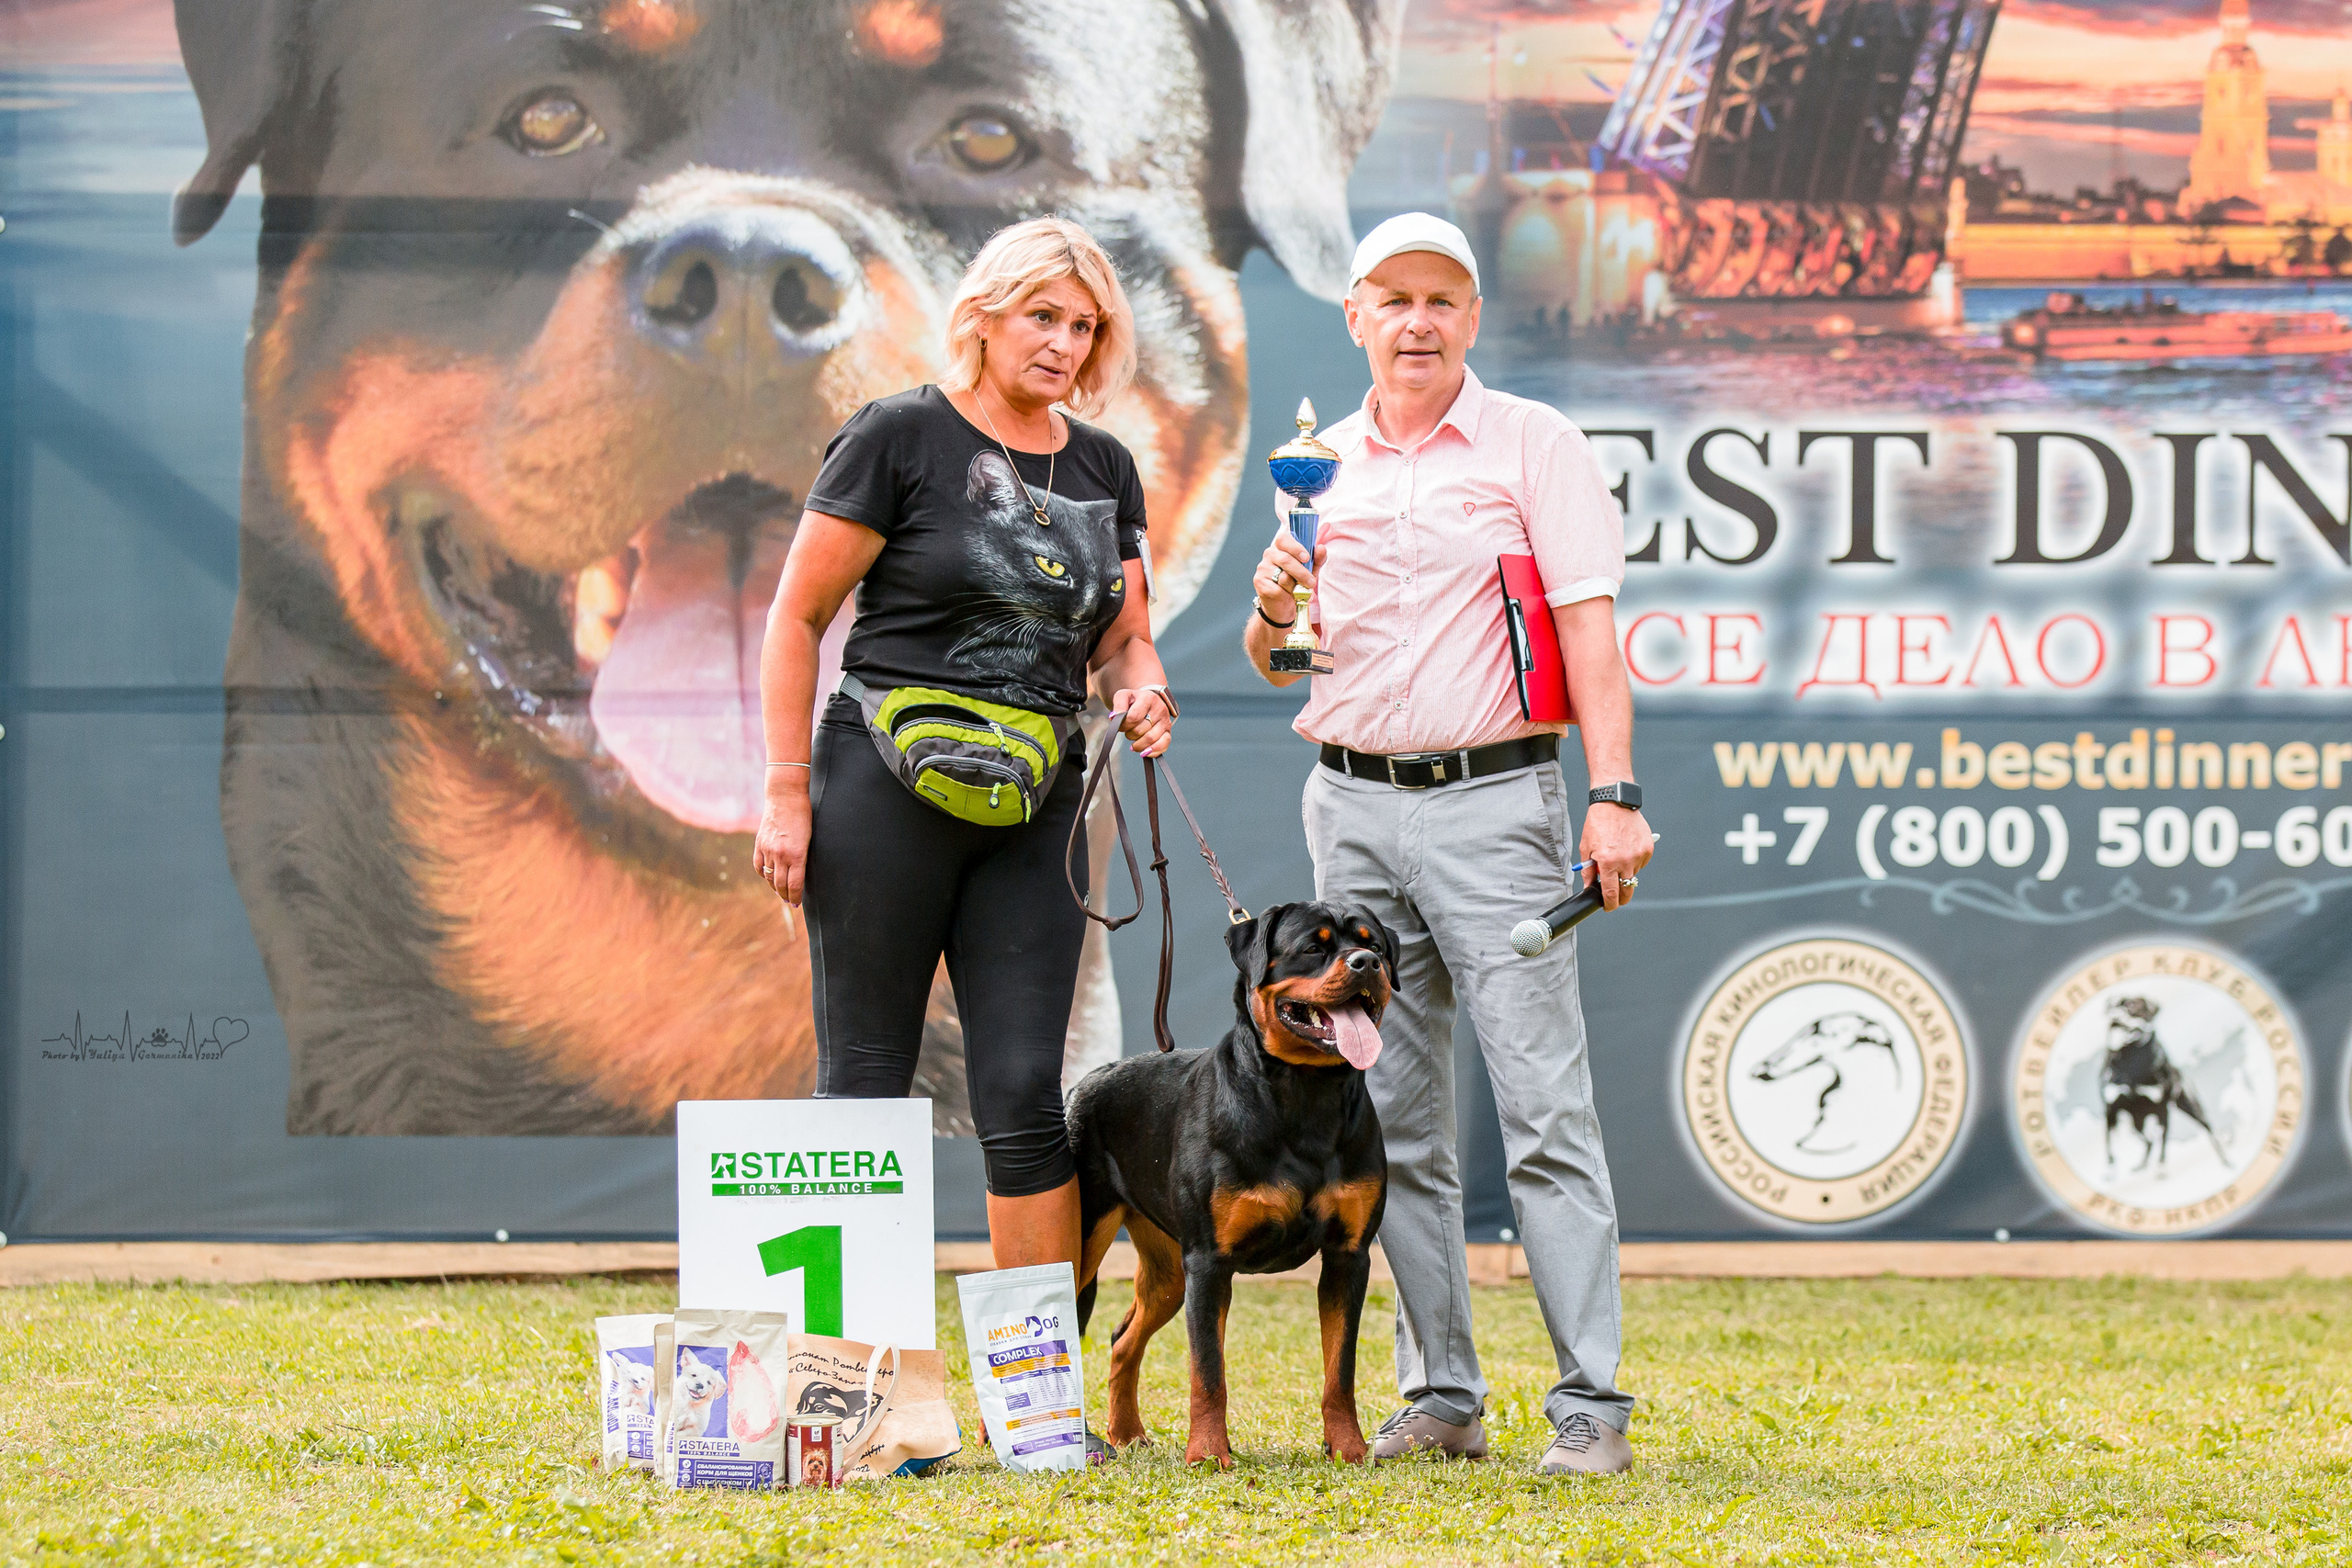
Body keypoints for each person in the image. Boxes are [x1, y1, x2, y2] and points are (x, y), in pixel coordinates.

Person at [1240, 212, 1653, 1476]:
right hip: (1349, 804)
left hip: (1497, 804)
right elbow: (1280, 664)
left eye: (1442, 299)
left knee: (1544, 1109)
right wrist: (1268, 618)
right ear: (1355, 314)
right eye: (1393, 298)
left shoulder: (1535, 442)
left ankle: (1588, 1400)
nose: (1417, 321)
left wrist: (1614, 789)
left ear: (1473, 318)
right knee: (1395, 1118)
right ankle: (1443, 1393)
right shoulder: (1317, 463)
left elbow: (1588, 629)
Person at [756, 217, 1176, 1279]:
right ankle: (842, 1378)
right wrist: (783, 793)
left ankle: (1035, 1416)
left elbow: (1125, 638)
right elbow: (796, 617)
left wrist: (1145, 690)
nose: (1063, 345)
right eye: (1042, 316)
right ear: (982, 317)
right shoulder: (897, 435)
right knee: (862, 1084)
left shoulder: (1104, 465)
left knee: (1028, 1097)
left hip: (1035, 806)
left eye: (1084, 327)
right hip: (880, 790)